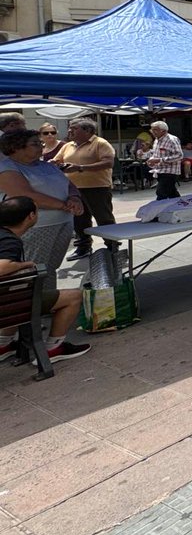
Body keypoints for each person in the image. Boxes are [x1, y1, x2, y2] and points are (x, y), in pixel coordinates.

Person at [0, 195, 91, 364]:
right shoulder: (9, 241)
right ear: (31, 216)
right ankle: (53, 348)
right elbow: (2, 267)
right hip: (7, 306)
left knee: (15, 294)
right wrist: (26, 265)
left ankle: (3, 345)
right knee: (73, 296)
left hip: (7, 301)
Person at [0, 129, 84, 293]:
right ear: (16, 147)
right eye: (35, 143)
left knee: (50, 268)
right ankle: (29, 308)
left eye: (41, 143)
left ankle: (47, 301)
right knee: (33, 269)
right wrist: (63, 205)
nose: (41, 146)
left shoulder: (45, 164)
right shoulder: (6, 168)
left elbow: (68, 185)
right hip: (36, 227)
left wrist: (75, 199)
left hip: (63, 223)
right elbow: (24, 195)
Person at [52, 119, 116, 261]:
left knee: (104, 219)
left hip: (97, 188)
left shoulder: (100, 143)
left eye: (74, 128)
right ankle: (83, 247)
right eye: (69, 128)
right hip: (73, 190)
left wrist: (80, 167)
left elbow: (108, 162)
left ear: (87, 131)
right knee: (79, 220)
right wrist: (53, 164)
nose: (70, 131)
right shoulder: (68, 145)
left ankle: (112, 246)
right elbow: (57, 161)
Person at [145, 121, 183, 199]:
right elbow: (155, 154)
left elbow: (179, 155)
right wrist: (151, 160)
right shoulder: (156, 140)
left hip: (170, 171)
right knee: (172, 193)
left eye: (155, 129)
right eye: (152, 130)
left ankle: (159, 209)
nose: (153, 132)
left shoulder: (172, 139)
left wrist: (160, 160)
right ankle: (180, 206)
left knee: (161, 192)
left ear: (163, 131)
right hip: (159, 170)